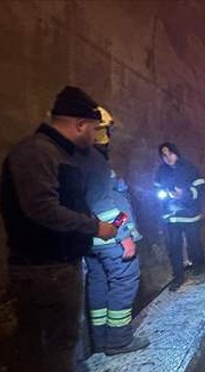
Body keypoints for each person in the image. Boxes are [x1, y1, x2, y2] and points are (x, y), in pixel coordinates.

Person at [0, 86, 125, 372]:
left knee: (71, 331)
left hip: (62, 261)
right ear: (81, 125)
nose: (97, 139)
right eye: (95, 131)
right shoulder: (36, 153)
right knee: (60, 339)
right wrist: (94, 227)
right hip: (44, 265)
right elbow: (42, 209)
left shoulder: (58, 153)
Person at [77, 106, 149, 356]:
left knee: (99, 284)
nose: (107, 137)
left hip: (90, 241)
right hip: (110, 238)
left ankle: (100, 339)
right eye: (105, 131)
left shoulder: (75, 160)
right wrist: (124, 236)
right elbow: (104, 205)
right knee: (124, 280)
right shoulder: (93, 161)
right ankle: (119, 339)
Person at [155, 142, 205, 291]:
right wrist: (164, 198)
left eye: (170, 154)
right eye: (164, 155)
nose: (167, 158)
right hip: (171, 216)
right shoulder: (161, 171)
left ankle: (199, 266)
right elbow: (156, 189)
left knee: (193, 242)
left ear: (176, 153)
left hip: (189, 214)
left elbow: (201, 188)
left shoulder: (188, 168)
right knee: (174, 247)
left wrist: (185, 194)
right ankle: (178, 276)